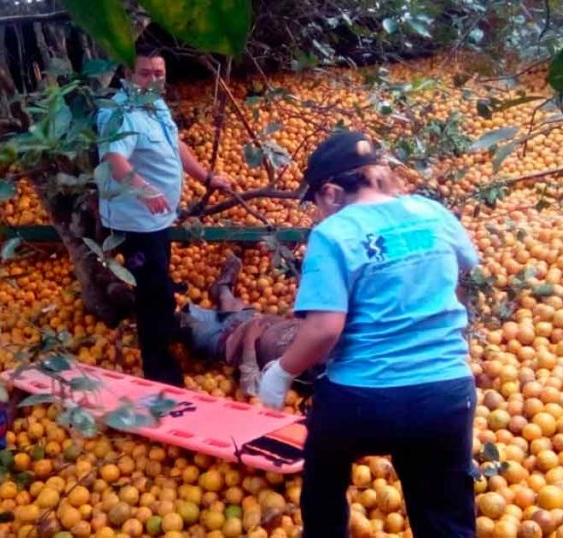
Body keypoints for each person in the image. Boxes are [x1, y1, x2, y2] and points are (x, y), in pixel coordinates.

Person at [257, 131, 480, 537]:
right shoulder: (431, 211)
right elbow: (467, 264)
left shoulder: (334, 232)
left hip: (365, 400)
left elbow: (324, 329)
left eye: (316, 203)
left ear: (330, 193)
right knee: (445, 515)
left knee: (324, 475)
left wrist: (281, 371)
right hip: (447, 394)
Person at [96, 44, 231, 387]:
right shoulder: (120, 113)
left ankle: (168, 327)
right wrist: (145, 190)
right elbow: (114, 159)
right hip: (136, 224)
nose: (153, 80)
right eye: (145, 73)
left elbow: (176, 145)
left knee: (159, 279)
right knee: (151, 292)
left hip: (158, 220)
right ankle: (158, 368)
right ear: (128, 75)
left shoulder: (154, 103)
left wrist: (206, 177)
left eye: (159, 74)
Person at [176, 255, 322, 395]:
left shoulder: (295, 367)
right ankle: (222, 288)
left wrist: (250, 340)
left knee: (177, 319)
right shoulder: (321, 329)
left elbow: (251, 387)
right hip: (244, 318)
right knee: (232, 303)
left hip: (223, 340)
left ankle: (221, 291)